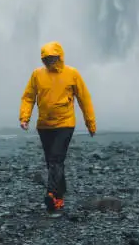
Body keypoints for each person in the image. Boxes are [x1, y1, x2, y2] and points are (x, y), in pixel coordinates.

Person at [19, 41, 97, 213]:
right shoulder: (37, 75)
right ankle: (59, 197)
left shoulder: (72, 74)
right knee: (52, 162)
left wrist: (90, 123)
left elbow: (84, 99)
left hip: (65, 124)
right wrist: (25, 117)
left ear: (59, 57)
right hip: (45, 125)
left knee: (56, 159)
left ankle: (51, 193)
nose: (48, 62)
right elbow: (29, 97)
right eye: (45, 59)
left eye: (52, 58)